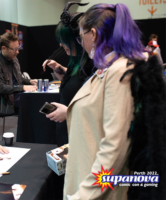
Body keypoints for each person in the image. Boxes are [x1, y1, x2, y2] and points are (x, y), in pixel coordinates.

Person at [64, 3, 166, 200]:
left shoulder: (119, 71)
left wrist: (84, 195)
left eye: (81, 36)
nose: (81, 42)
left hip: (98, 188)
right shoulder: (113, 67)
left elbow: (115, 148)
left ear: (93, 34)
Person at [42, 2, 92, 146]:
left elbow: (95, 109)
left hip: (80, 136)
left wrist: (69, 113)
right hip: (67, 131)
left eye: (64, 41)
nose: (60, 45)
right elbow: (73, 82)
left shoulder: (93, 66)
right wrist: (59, 69)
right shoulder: (76, 61)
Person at [0, 32, 37, 115]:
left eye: (18, 48)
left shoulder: (14, 59)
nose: (17, 52)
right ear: (3, 48)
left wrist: (30, 81)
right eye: (14, 49)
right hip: (6, 105)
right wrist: (23, 88)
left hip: (19, 97)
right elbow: (0, 88)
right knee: (35, 103)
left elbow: (19, 78)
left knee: (39, 98)